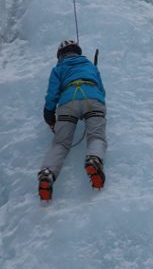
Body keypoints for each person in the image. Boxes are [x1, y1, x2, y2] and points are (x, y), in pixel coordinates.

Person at [37, 39, 107, 201]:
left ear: (60, 55)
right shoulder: (90, 65)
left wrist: (49, 116)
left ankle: (47, 173)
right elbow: (101, 89)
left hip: (68, 102)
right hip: (93, 99)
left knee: (61, 143)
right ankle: (94, 159)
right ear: (77, 51)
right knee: (96, 137)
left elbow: (52, 93)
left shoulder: (59, 68)